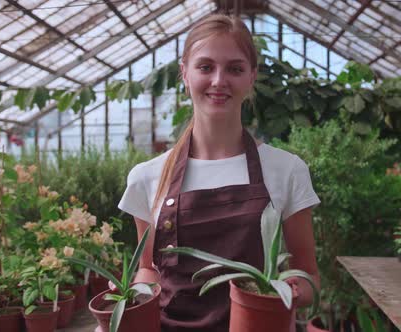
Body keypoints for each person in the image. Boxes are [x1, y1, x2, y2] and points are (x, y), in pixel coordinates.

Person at [118, 14, 320, 332]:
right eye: (205, 67)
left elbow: (309, 276)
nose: (218, 80)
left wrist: (291, 289)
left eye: (235, 69)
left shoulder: (287, 170)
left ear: (252, 76)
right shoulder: (147, 177)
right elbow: (149, 271)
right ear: (184, 72)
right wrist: (130, 303)